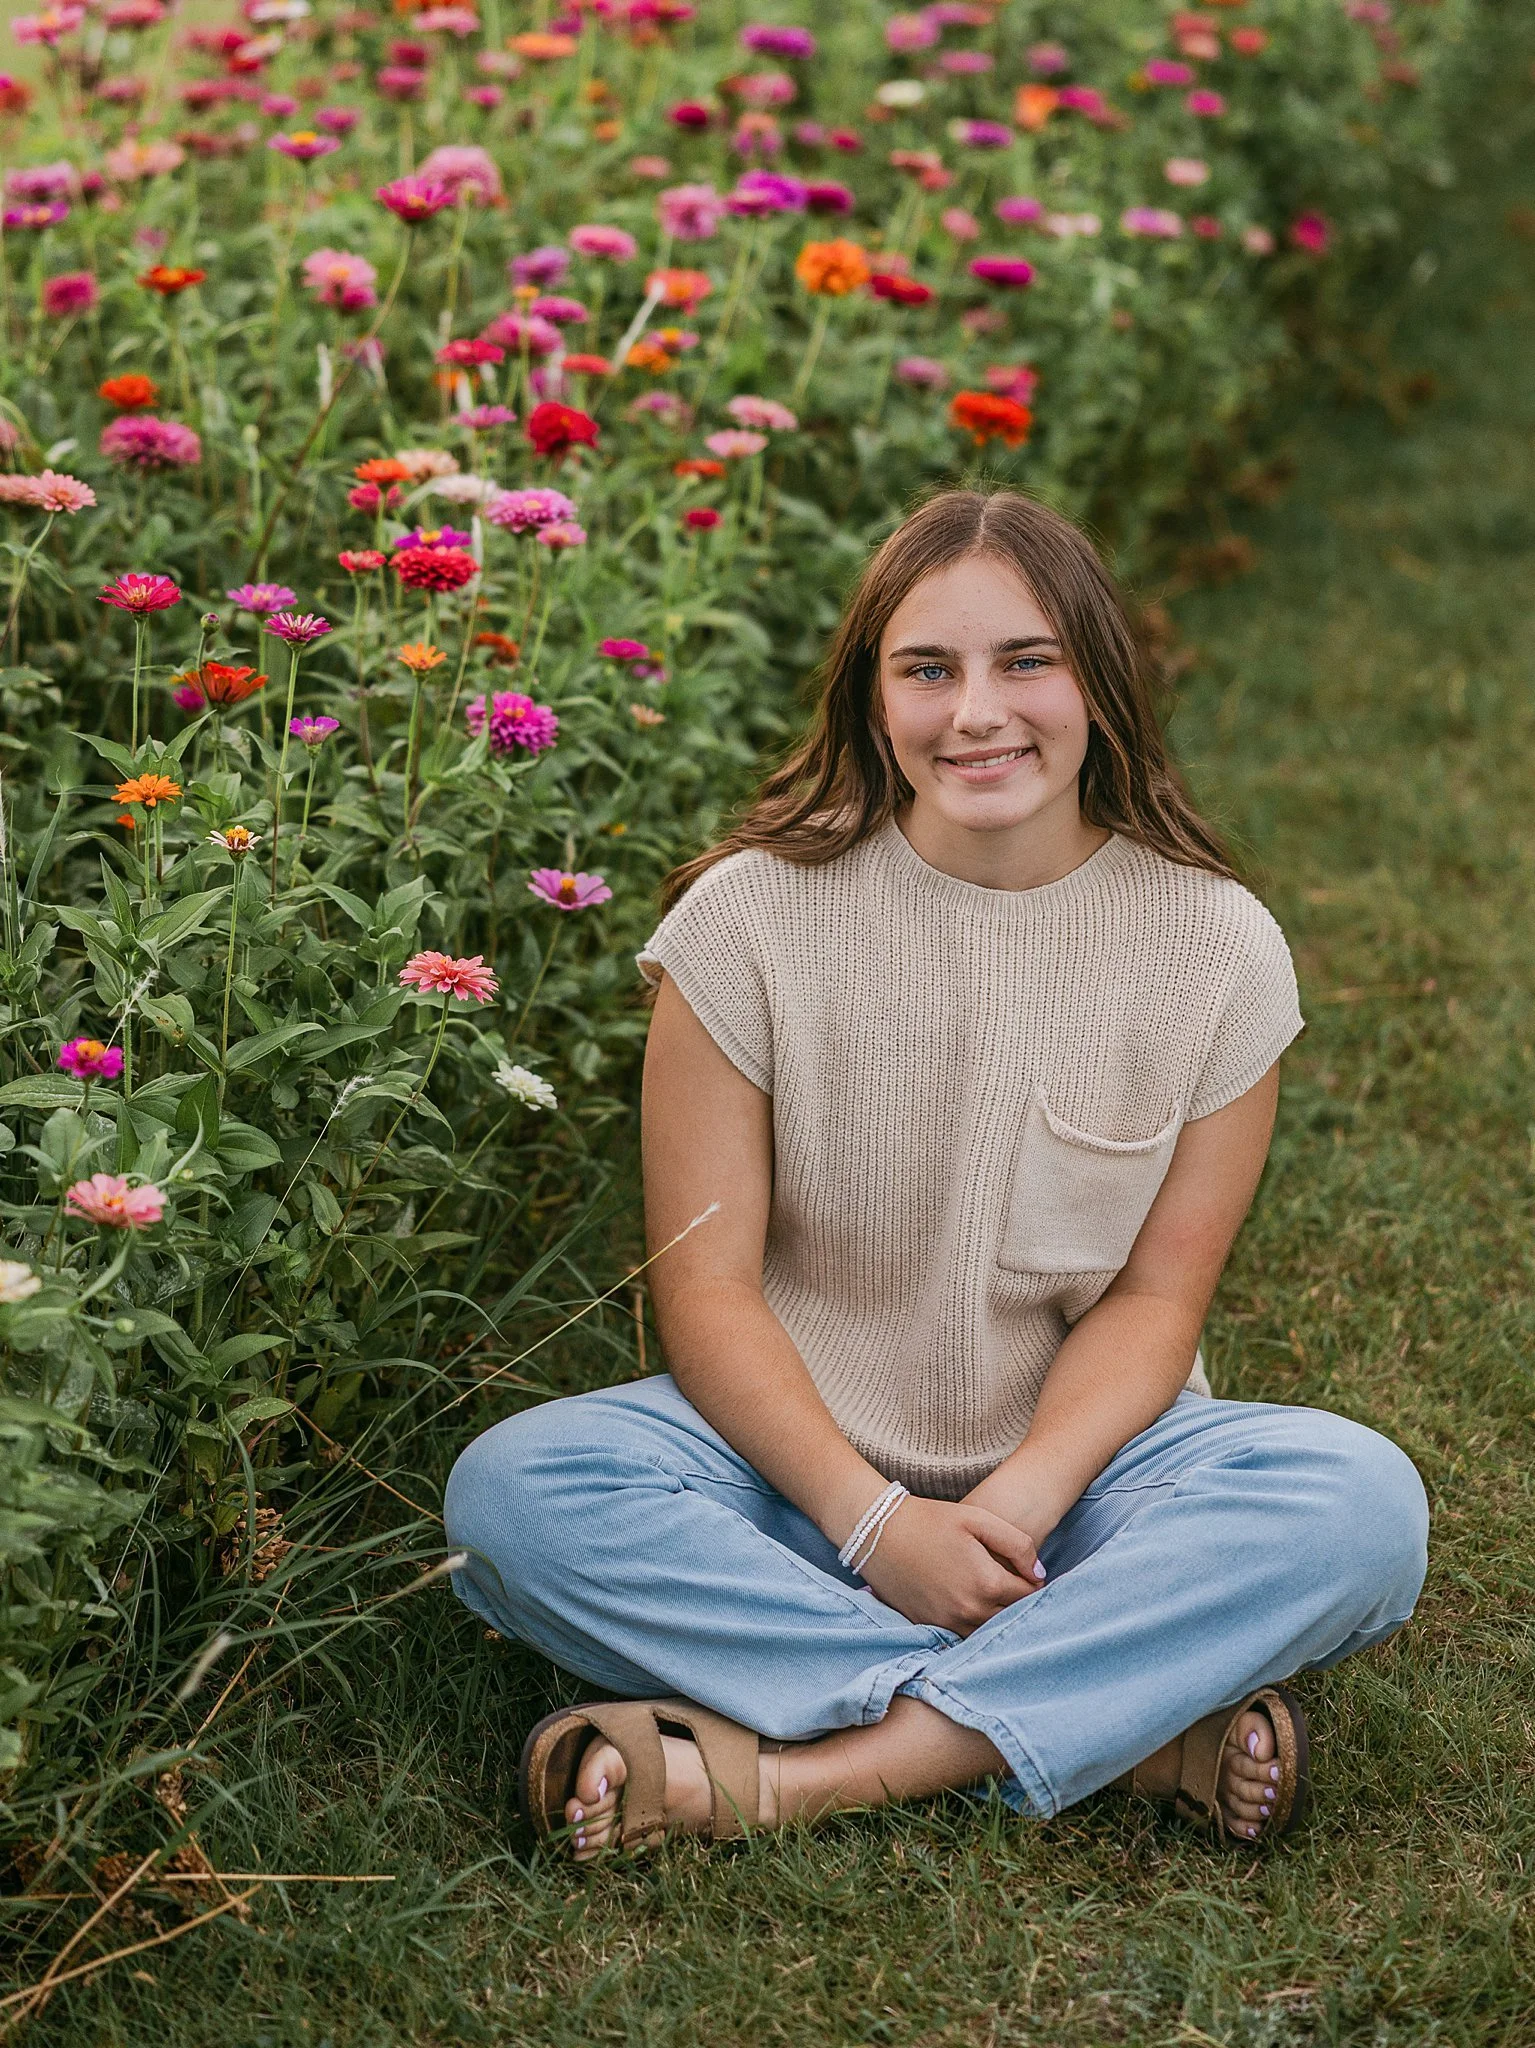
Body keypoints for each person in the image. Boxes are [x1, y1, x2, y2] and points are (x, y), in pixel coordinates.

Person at [445, 489, 1428, 1863]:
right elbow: (711, 1296)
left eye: (1025, 660)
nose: (977, 712)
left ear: (1099, 681)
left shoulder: (1216, 948)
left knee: (1359, 1505)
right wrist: (875, 1526)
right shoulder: (747, 922)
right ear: (871, 700)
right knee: (512, 1498)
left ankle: (790, 1776)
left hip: (1083, 1489)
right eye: (927, 669)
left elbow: (1153, 1304)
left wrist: (1008, 1512)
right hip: (783, 1472)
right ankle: (1128, 1726)